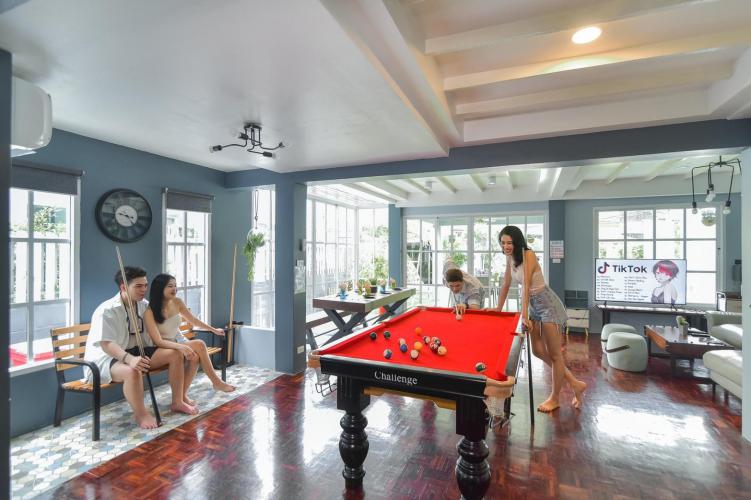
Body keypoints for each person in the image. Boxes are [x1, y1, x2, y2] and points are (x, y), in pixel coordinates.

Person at [83, 266, 199, 430]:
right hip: (105, 359)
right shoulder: (107, 310)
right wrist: (129, 359)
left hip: (137, 351)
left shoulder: (144, 306)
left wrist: (181, 344)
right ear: (123, 287)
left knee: (175, 354)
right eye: (138, 286)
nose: (144, 289)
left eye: (145, 285)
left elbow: (167, 326)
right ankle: (141, 414)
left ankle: (177, 402)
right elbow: (106, 344)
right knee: (132, 371)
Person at [495, 226, 586, 413]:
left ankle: (555, 399)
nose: (506, 246)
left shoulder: (528, 254)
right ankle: (575, 383)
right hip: (533, 305)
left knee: (555, 355)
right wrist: (497, 309)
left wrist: (524, 316)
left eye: (509, 243)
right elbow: (506, 283)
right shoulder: (510, 258)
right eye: (503, 243)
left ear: (517, 242)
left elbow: (526, 285)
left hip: (547, 304)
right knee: (537, 351)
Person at [144, 273, 235, 405]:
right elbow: (158, 341)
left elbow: (193, 320)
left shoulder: (177, 302)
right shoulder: (150, 312)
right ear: (159, 288)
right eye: (170, 286)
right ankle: (216, 382)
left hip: (179, 341)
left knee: (195, 356)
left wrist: (213, 329)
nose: (174, 289)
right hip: (164, 347)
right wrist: (181, 347)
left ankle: (182, 396)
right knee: (199, 345)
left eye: (175, 285)